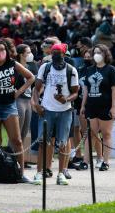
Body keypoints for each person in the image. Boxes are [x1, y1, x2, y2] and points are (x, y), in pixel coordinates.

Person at [0, 40, 35, 183]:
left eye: (2, 49)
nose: (0, 53)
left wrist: (18, 92)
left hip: (9, 105)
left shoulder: (13, 64)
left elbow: (31, 77)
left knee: (16, 140)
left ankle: (20, 172)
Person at [31, 43, 79, 185]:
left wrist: (66, 99)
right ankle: (39, 173)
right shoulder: (45, 68)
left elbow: (76, 92)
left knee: (63, 143)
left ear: (64, 54)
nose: (56, 55)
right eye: (54, 52)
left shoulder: (71, 70)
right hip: (47, 110)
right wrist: (36, 104)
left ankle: (61, 173)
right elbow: (36, 88)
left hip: (65, 111)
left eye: (58, 52)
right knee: (42, 142)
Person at [80, 45, 115, 171]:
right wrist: (83, 105)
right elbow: (85, 89)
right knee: (91, 134)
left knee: (106, 134)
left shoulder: (111, 70)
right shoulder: (89, 69)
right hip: (92, 105)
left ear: (105, 54)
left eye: (99, 52)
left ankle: (105, 162)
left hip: (106, 106)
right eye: (95, 52)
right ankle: (85, 161)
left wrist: (113, 107)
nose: (96, 54)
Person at [15, 44, 38, 142]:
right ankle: (10, 155)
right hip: (19, 100)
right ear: (21, 55)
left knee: (24, 132)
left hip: (28, 100)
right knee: (16, 132)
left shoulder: (31, 66)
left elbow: (35, 86)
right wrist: (17, 92)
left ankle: (18, 156)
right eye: (28, 52)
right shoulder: (15, 66)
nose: (31, 54)